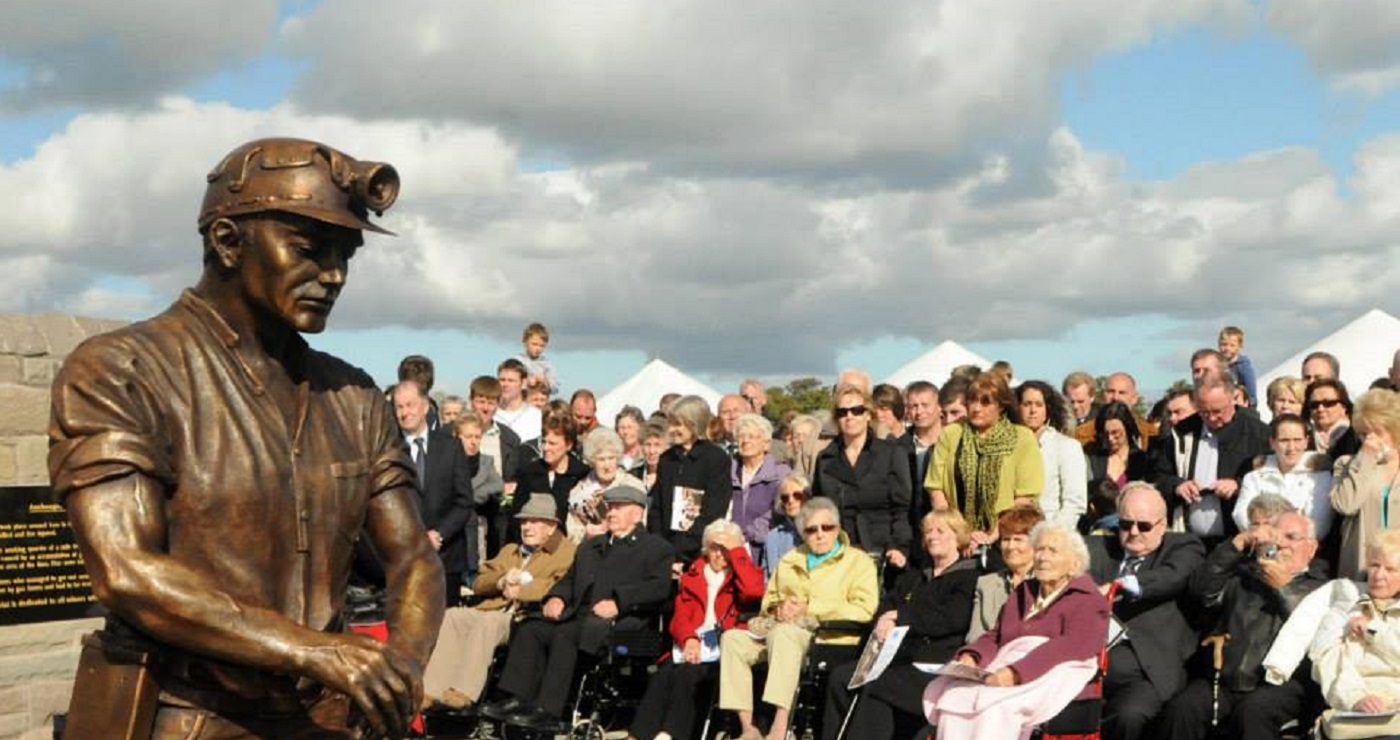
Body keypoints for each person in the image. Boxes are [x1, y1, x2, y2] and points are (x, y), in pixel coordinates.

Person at [49, 138, 442, 738]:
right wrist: (315, 651)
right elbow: (125, 569)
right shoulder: (123, 370)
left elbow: (413, 557)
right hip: (185, 717)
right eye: (309, 250)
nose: (333, 275)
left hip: (324, 719)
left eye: (345, 256)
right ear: (228, 242)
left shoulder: (355, 398)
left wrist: (401, 668)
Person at [482, 486, 673, 733]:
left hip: (622, 622)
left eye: (618, 507)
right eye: (610, 507)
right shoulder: (591, 546)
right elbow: (570, 579)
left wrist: (619, 602)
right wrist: (557, 597)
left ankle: (550, 711)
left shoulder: (655, 548)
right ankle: (518, 698)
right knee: (531, 627)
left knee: (567, 633)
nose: (611, 512)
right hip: (579, 615)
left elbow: (659, 588)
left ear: (637, 515)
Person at [923, 521, 1110, 739]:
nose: (1042, 557)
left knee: (994, 708)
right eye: (1039, 549)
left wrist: (1015, 673)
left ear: (1074, 563)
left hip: (1052, 672)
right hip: (1007, 664)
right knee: (954, 698)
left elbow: (1069, 647)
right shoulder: (1025, 591)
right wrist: (972, 657)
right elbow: (996, 636)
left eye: (1053, 551)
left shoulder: (1087, 598)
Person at [1153, 509, 1328, 740]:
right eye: (1276, 538)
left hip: (1279, 686)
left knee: (1253, 713)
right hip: (1225, 679)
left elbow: (1315, 631)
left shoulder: (1321, 587)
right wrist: (1237, 544)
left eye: (1291, 538)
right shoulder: (1244, 575)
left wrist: (1284, 588)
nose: (1282, 545)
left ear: (1311, 548)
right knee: (1184, 709)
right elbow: (1200, 593)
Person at [719, 497, 879, 740]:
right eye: (812, 530)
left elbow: (865, 609)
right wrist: (778, 609)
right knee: (732, 639)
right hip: (780, 631)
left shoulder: (858, 562)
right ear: (803, 532)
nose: (820, 534)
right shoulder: (790, 559)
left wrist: (811, 608)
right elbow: (769, 601)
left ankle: (779, 726)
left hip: (828, 636)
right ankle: (748, 728)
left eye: (827, 528)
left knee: (784, 636)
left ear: (837, 529)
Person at [823, 510, 979, 740]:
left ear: (958, 537)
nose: (932, 536)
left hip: (933, 663)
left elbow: (951, 618)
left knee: (876, 685)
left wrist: (901, 617)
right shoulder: (914, 577)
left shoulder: (968, 577)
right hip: (897, 658)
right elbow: (887, 605)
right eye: (928, 531)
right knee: (840, 677)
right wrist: (885, 620)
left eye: (940, 531)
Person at [420, 494, 576, 712]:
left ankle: (463, 691)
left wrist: (522, 589)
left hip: (524, 616)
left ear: (551, 526)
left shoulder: (566, 553)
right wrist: (501, 581)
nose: (526, 527)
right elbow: (478, 581)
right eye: (523, 521)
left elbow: (560, 586)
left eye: (533, 521)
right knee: (453, 616)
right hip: (492, 606)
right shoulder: (510, 550)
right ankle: (430, 689)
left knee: (488, 623)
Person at [1085, 483, 1206, 740]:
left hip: (1147, 672)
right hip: (1087, 664)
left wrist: (1119, 585)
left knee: (1129, 715)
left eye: (1144, 526)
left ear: (1162, 525)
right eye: (1126, 524)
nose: (1134, 532)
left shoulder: (1182, 547)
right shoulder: (1097, 549)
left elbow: (1172, 577)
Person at [627, 520, 764, 740]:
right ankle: (638, 735)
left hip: (723, 648)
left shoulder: (742, 574)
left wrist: (737, 552)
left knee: (689, 675)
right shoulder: (694, 575)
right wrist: (689, 638)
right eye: (714, 548)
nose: (719, 555)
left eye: (725, 549)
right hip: (690, 645)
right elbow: (680, 616)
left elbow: (753, 591)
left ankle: (670, 734)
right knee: (665, 674)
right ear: (705, 550)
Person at [926, 372, 1044, 555]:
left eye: (985, 402)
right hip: (957, 541)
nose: (976, 408)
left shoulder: (1022, 438)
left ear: (1001, 406)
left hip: (1006, 539)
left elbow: (1025, 496)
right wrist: (964, 534)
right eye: (972, 401)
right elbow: (936, 488)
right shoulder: (951, 434)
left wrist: (993, 534)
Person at [1151, 376, 1270, 546]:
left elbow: (1273, 478)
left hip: (1240, 540)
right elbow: (1159, 475)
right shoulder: (1181, 432)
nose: (1211, 418)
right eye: (1204, 412)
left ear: (1232, 399)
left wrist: (1239, 485)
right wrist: (1177, 486)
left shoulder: (1258, 433)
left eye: (1217, 411)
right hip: (1190, 540)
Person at [813, 383, 914, 569]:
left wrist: (899, 546)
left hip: (883, 551)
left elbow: (902, 510)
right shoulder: (825, 459)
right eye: (843, 412)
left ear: (868, 414)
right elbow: (819, 509)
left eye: (857, 410)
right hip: (838, 552)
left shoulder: (891, 453)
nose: (849, 416)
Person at [1310, 530, 1400, 739]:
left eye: (1391, 569)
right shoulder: (1347, 605)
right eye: (1375, 565)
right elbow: (1326, 661)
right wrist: (1355, 698)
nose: (1378, 575)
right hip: (1360, 713)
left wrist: (1373, 631)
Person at [395, 379, 477, 607]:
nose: (404, 412)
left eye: (410, 405)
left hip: (446, 556)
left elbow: (464, 501)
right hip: (403, 557)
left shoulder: (450, 447)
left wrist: (439, 534)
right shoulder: (390, 449)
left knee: (445, 629)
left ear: (424, 406)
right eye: (399, 407)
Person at [650, 395, 733, 561]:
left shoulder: (716, 459)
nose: (672, 429)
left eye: (678, 424)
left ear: (694, 424)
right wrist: (661, 548)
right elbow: (656, 509)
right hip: (664, 554)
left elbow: (713, 512)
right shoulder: (667, 459)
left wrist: (682, 550)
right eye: (670, 423)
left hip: (699, 553)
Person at [1331, 388, 1400, 579]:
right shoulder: (1346, 464)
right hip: (1361, 568)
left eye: (1377, 432)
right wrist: (1365, 458)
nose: (1369, 440)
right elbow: (1346, 505)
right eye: (1363, 434)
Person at [1233, 413, 1334, 540]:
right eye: (1284, 440)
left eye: (1297, 440)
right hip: (1260, 546)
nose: (1291, 447)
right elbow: (1241, 516)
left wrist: (1269, 528)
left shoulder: (1320, 477)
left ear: (1306, 442)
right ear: (1272, 442)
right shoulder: (1254, 477)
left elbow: (1319, 525)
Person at [1016, 380, 1087, 528]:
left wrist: (1052, 533)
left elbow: (1074, 503)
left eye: (1039, 405)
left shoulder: (1067, 447)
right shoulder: (1007, 445)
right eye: (1027, 404)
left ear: (1047, 408)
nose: (1033, 410)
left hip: (1051, 533)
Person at [967, 507, 1045, 640]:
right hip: (991, 656)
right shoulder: (986, 584)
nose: (1010, 547)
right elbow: (974, 638)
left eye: (1018, 540)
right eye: (1006, 539)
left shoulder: (1049, 582)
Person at [512, 414, 590, 541]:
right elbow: (516, 516)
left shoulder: (582, 474)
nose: (545, 448)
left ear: (568, 445)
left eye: (552, 443)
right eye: (544, 442)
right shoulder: (529, 473)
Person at [565, 427, 646, 543]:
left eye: (611, 458)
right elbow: (572, 532)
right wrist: (586, 534)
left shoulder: (633, 486)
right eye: (601, 459)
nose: (607, 465)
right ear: (592, 461)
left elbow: (642, 523)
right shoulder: (579, 491)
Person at [733, 414, 792, 559]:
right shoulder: (726, 470)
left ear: (766, 444)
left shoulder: (781, 473)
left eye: (752, 436)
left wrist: (748, 534)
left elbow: (779, 510)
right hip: (730, 549)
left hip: (766, 551)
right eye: (741, 436)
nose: (745, 441)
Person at [1086, 401, 1153, 490]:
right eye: (1105, 434)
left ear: (1127, 429)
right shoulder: (1093, 459)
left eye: (1115, 433)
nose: (1110, 438)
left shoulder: (1142, 459)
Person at [764, 473, 810, 578]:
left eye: (797, 495)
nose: (790, 500)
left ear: (808, 497)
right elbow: (766, 580)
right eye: (785, 498)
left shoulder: (821, 531)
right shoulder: (773, 537)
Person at [1307, 378, 1360, 458]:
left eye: (1328, 403)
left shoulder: (1358, 437)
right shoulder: (1303, 439)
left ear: (1344, 406)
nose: (1320, 409)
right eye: (1314, 405)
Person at [496, 358, 543, 443]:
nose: (505, 384)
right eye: (502, 380)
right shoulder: (491, 414)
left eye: (511, 381)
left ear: (523, 383)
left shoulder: (536, 417)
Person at [514, 321, 559, 396]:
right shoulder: (517, 360)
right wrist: (526, 381)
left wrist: (543, 381)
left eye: (542, 346)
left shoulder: (546, 364)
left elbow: (555, 388)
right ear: (525, 342)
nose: (538, 349)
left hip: (539, 400)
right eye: (534, 344)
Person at [1220, 326, 1258, 408]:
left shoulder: (1244, 367)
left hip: (1240, 407)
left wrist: (1251, 407)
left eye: (1232, 345)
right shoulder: (1219, 366)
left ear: (1239, 347)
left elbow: (1251, 392)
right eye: (1224, 344)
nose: (1227, 348)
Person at [785, 413, 824, 481]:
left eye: (805, 436)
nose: (800, 440)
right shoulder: (785, 467)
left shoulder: (821, 467)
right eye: (796, 436)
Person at [615, 405, 647, 470]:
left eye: (630, 427)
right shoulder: (613, 458)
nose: (625, 432)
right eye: (622, 428)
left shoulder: (647, 456)